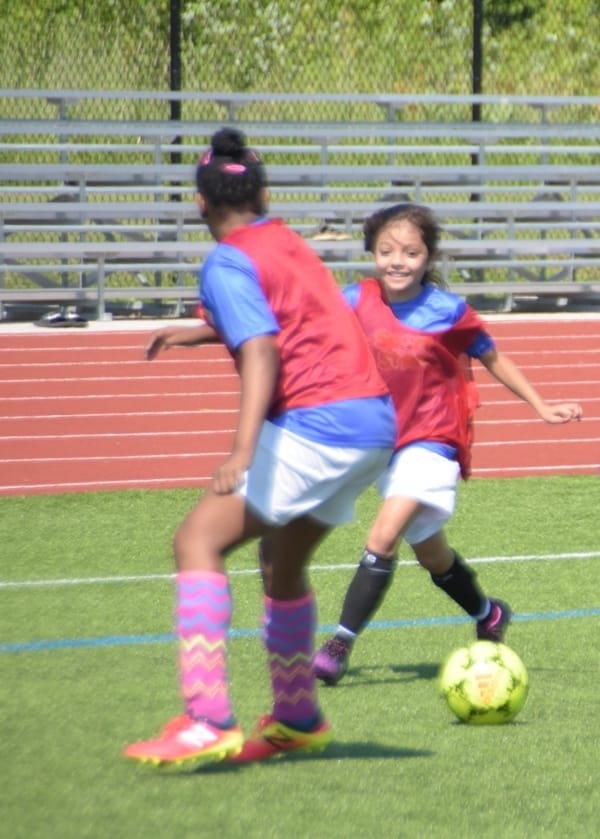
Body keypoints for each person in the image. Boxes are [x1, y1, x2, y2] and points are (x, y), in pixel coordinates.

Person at [122, 128, 397, 768]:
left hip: (317, 423)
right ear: (265, 195)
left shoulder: (224, 260)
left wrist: (241, 451)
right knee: (281, 564)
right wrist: (195, 333)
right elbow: (285, 312)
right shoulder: (286, 240)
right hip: (373, 423)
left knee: (197, 541)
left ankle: (206, 718)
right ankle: (298, 717)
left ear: (198, 203)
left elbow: (262, 347)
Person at [311, 203, 583, 686]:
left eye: (411, 252)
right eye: (387, 251)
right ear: (372, 253)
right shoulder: (353, 300)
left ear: (428, 256)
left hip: (434, 440)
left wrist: (540, 406)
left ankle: (339, 643)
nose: (398, 261)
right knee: (432, 554)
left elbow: (493, 357)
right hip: (383, 445)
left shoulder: (448, 311)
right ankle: (488, 612)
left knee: (383, 535)